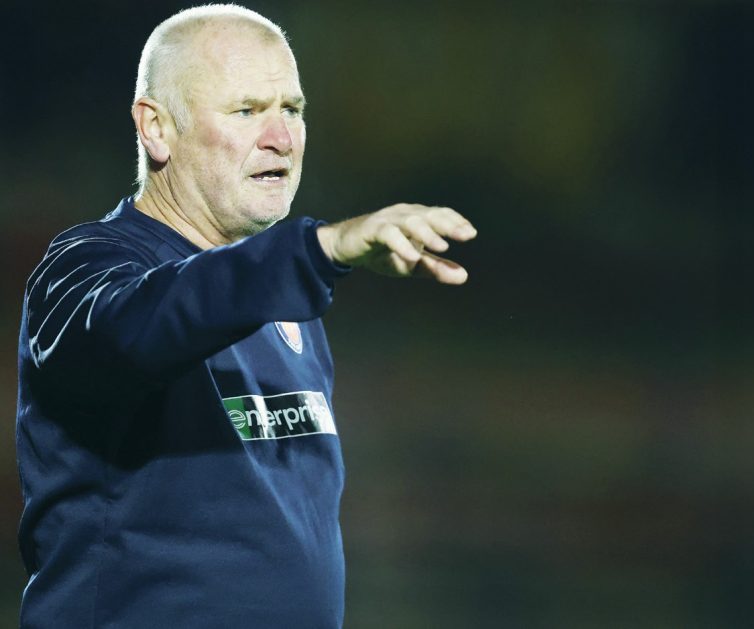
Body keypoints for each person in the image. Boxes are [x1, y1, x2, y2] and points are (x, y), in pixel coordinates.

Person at [15, 5, 476, 628]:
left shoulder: (280, 291)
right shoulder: (88, 266)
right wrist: (317, 250)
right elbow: (129, 334)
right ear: (156, 128)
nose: (281, 137)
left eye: (293, 109)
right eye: (247, 110)